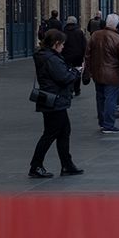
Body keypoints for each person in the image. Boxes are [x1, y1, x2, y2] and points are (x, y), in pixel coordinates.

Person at [28, 29, 84, 178]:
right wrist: (76, 72)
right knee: (50, 134)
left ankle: (67, 164)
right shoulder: (50, 58)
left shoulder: (47, 56)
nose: (63, 47)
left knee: (64, 131)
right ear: (56, 44)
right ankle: (36, 165)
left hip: (53, 99)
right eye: (62, 44)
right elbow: (64, 77)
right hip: (54, 100)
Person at [84, 13, 119, 134]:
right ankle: (108, 125)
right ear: (117, 24)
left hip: (97, 73)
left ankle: (102, 122)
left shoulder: (95, 35)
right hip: (113, 74)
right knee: (110, 99)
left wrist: (87, 71)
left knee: (100, 98)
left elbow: (87, 55)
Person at [61, 15, 87, 96]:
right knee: (77, 71)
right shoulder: (79, 32)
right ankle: (77, 89)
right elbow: (84, 44)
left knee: (68, 72)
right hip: (78, 56)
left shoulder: (64, 32)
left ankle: (70, 89)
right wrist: (84, 55)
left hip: (66, 55)